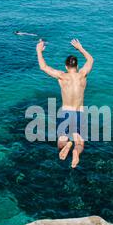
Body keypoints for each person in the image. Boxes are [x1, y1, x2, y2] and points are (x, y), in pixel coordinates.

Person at [36, 39, 94, 168]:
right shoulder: (83, 74)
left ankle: (67, 145)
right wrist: (80, 48)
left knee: (61, 142)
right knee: (80, 143)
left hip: (65, 113)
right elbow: (90, 60)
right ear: (77, 66)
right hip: (80, 113)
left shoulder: (62, 76)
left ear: (66, 67)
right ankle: (75, 151)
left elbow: (43, 67)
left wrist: (39, 51)